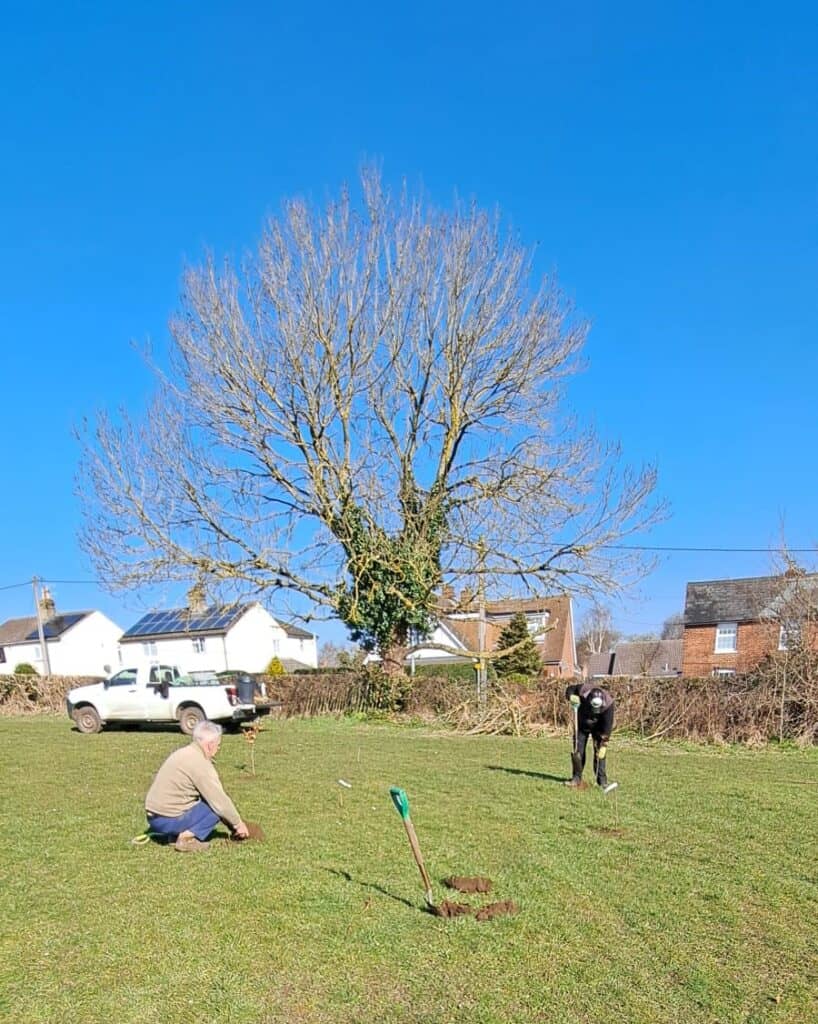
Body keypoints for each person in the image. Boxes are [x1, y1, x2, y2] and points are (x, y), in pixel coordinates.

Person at [145, 719, 250, 851]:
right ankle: (186, 839)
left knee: (208, 803)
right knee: (214, 808)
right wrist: (238, 824)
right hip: (167, 820)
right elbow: (219, 802)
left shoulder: (183, 753)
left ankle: (173, 836)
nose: (218, 749)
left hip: (154, 818)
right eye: (218, 745)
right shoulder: (200, 763)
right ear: (210, 745)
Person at [564, 682, 616, 792]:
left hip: (598, 728)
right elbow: (569, 689)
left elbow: (607, 728)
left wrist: (604, 745)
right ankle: (576, 778)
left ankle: (602, 781)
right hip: (582, 725)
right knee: (578, 751)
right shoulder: (583, 690)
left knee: (600, 754)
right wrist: (571, 696)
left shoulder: (608, 705)